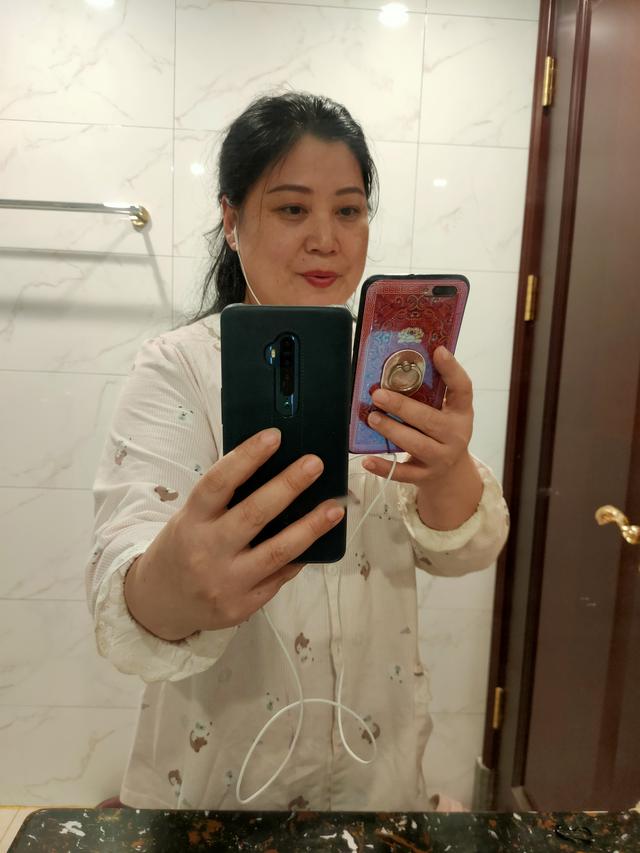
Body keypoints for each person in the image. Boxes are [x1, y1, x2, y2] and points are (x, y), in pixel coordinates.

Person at [86, 91, 509, 811]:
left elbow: (463, 552)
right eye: (291, 208)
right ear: (231, 220)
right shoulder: (178, 368)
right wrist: (175, 580)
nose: (326, 239)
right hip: (220, 790)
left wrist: (448, 471)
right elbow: (123, 593)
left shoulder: (393, 372)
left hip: (376, 776)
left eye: (349, 210)